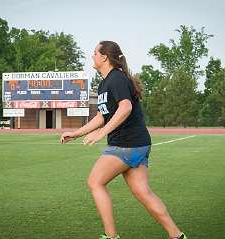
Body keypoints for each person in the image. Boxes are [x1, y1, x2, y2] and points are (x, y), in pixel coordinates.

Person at [60, 41, 187, 239]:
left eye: (95, 52)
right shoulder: (105, 82)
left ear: (104, 57)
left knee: (95, 182)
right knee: (143, 193)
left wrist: (101, 134)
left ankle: (111, 237)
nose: (92, 56)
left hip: (126, 144)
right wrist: (76, 133)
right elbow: (102, 116)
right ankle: (177, 236)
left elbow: (125, 107)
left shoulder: (116, 79)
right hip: (138, 144)